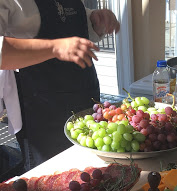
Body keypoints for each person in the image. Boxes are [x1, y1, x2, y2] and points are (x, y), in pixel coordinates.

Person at [0, 1, 120, 171]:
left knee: (92, 170)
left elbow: (66, 18)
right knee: (51, 179)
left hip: (84, 95)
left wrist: (94, 21)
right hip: (41, 109)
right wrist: (55, 48)